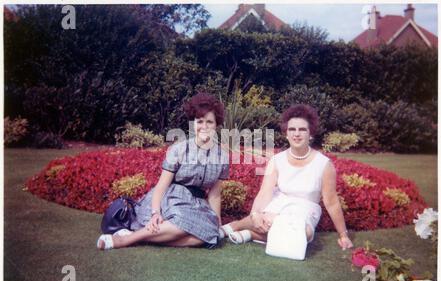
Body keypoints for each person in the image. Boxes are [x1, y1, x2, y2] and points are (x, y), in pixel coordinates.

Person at [97, 93, 229, 250]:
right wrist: (155, 212)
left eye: (209, 122)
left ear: (216, 125)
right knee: (184, 222)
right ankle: (125, 240)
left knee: (209, 235)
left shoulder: (222, 157)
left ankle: (145, 239)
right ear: (193, 123)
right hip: (172, 198)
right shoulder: (179, 149)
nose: (204, 126)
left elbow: (215, 194)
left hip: (197, 204)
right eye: (200, 121)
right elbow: (161, 185)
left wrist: (217, 219)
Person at [220, 104, 353, 251]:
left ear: (311, 134)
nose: (296, 134)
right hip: (278, 205)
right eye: (292, 129)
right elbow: (265, 192)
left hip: (305, 211)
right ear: (286, 133)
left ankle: (250, 234)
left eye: (302, 129)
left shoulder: (324, 164)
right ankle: (235, 226)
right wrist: (255, 214)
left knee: (304, 235)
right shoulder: (277, 160)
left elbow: (332, 202)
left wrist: (343, 235)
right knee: (262, 219)